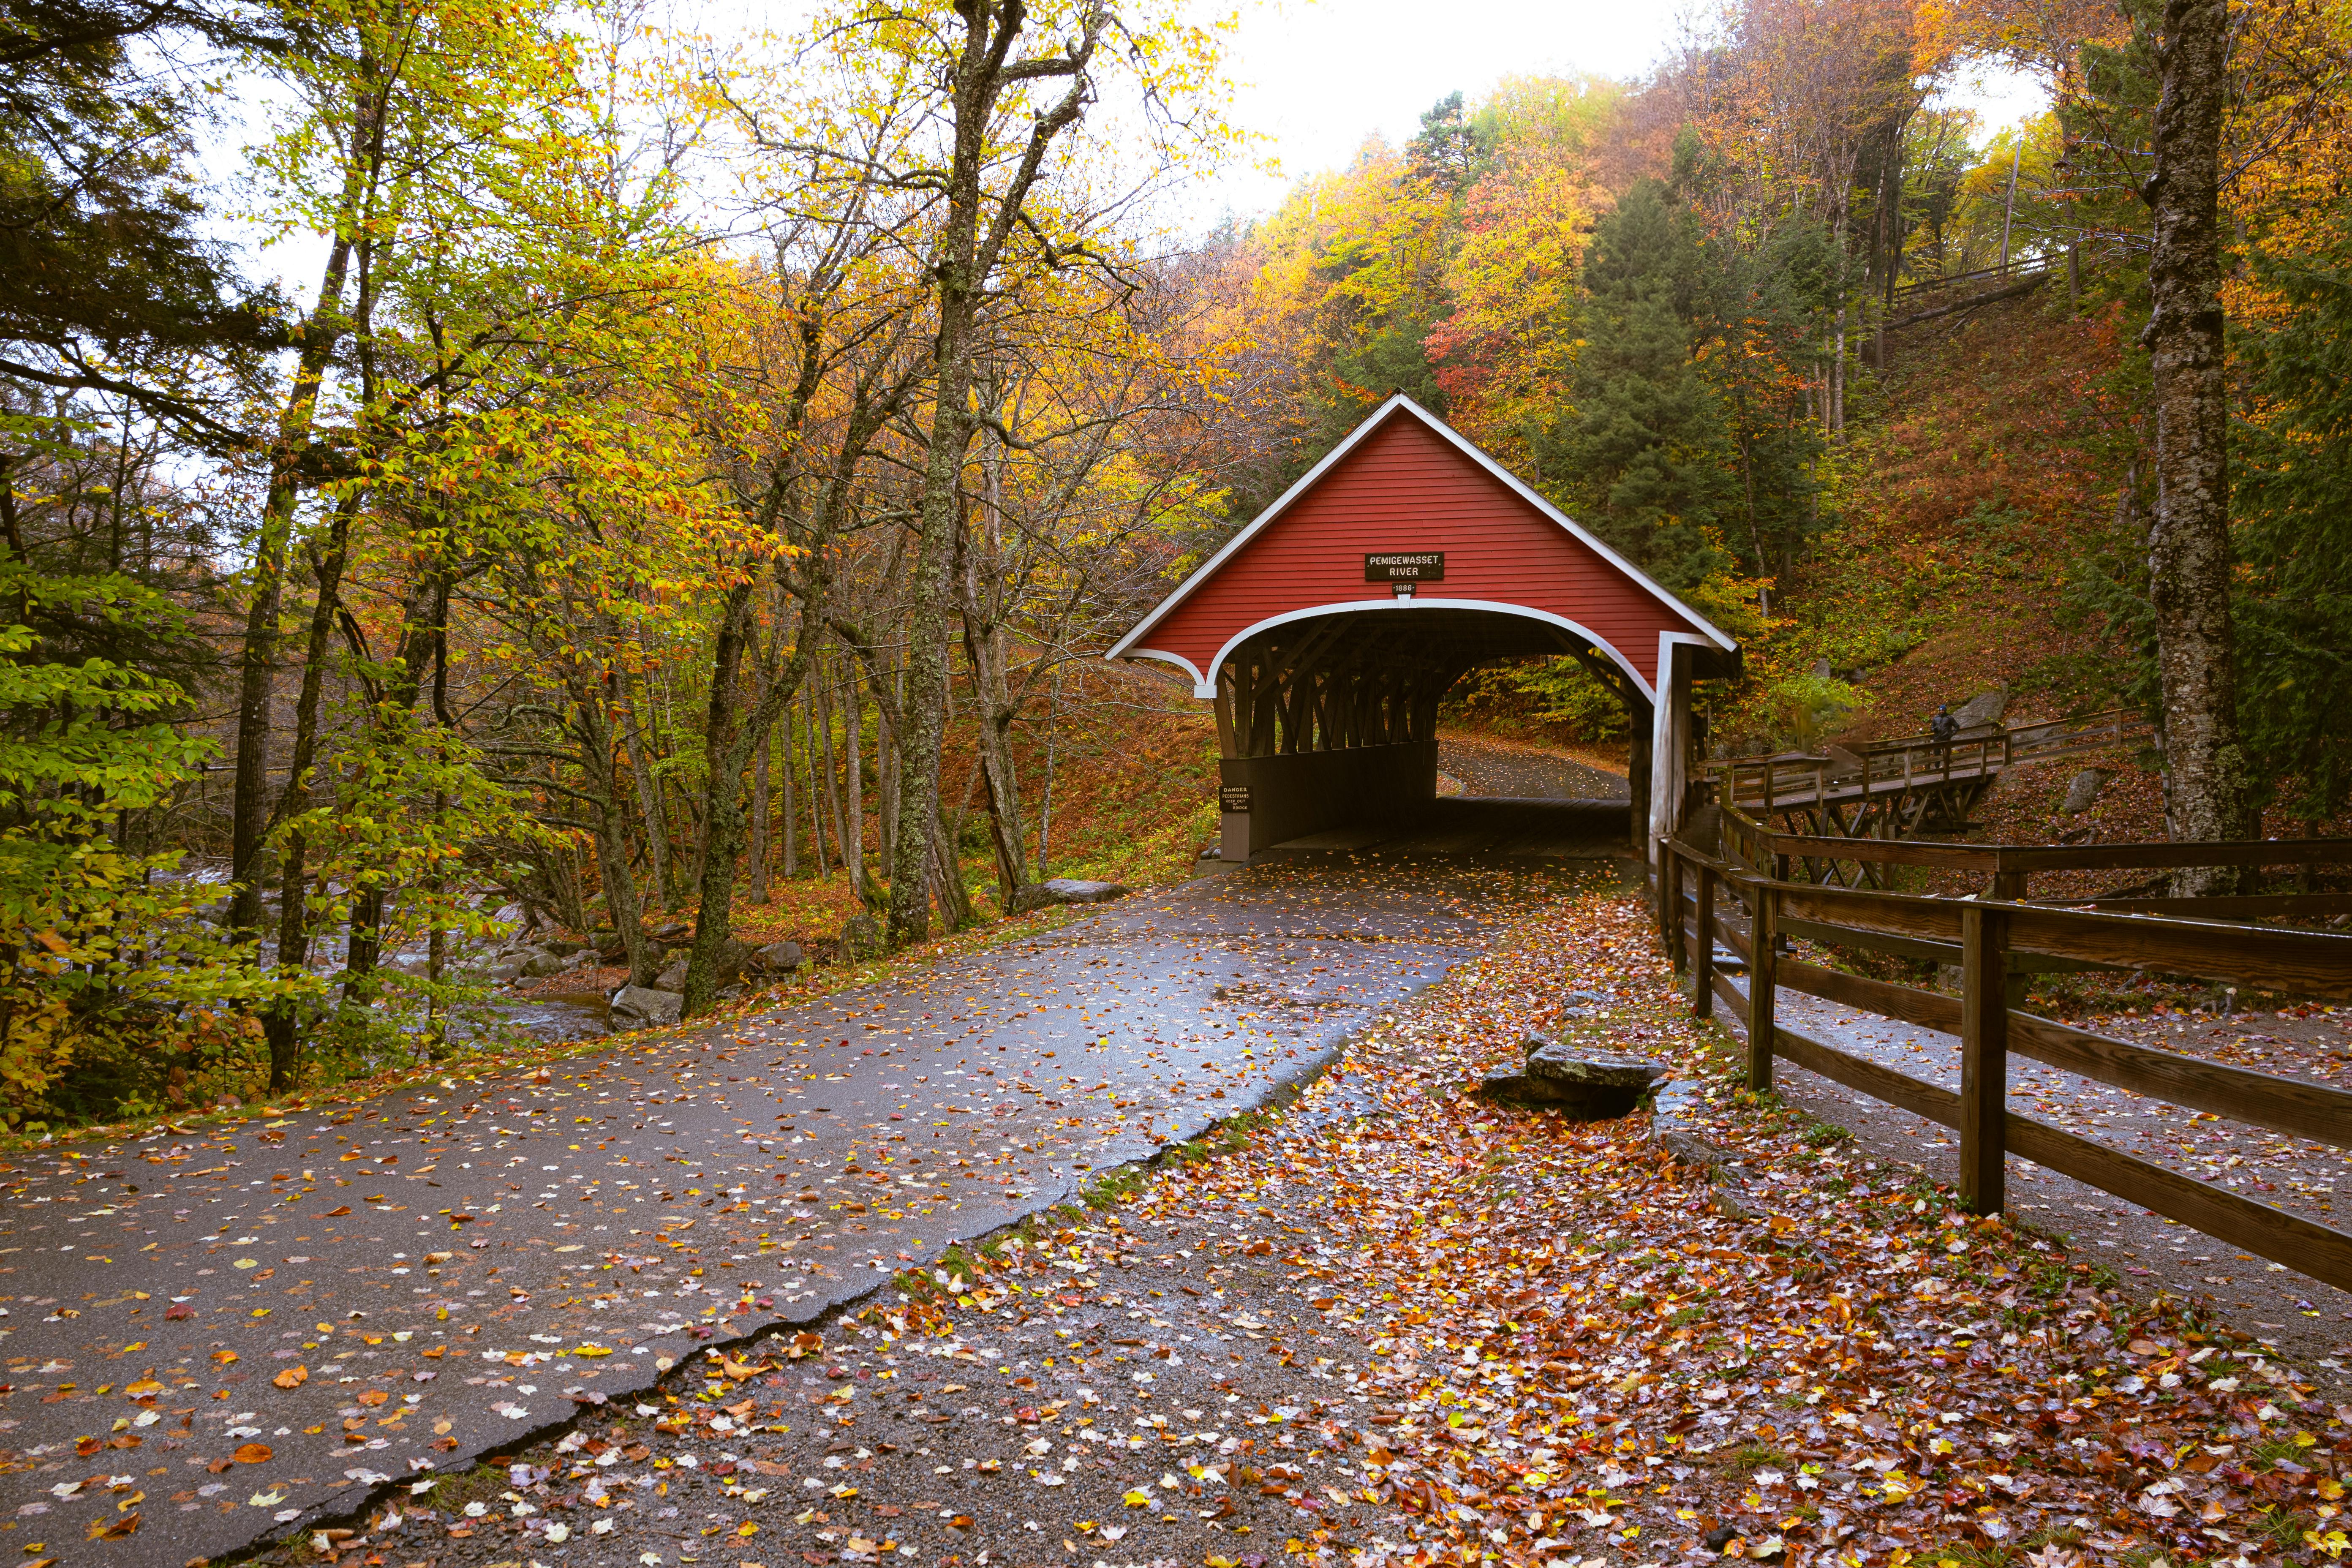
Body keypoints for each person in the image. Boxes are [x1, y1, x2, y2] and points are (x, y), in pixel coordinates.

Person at [1929, 703, 1958, 771]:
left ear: (1945, 711)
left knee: (1947, 755)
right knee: (1937, 754)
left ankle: (1947, 768)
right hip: (1937, 739)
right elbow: (1932, 728)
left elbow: (1957, 726)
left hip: (1946, 739)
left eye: (1943, 710)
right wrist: (1934, 729)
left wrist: (1952, 734)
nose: (1941, 711)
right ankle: (1937, 768)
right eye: (1940, 710)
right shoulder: (1936, 718)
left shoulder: (1949, 718)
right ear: (1939, 710)